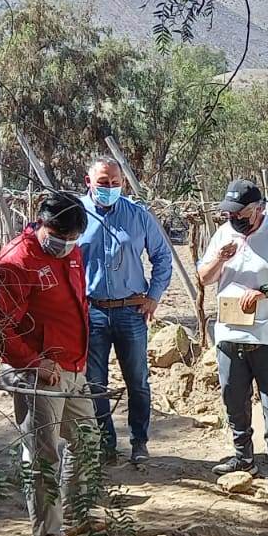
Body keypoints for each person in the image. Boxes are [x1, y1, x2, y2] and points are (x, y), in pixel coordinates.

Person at [0, 191, 100, 536]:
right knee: (43, 454)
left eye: (73, 239)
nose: (67, 245)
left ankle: (73, 516)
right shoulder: (14, 264)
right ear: (41, 224)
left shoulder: (71, 254)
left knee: (86, 442)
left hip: (73, 367)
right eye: (60, 237)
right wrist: (33, 362)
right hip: (40, 375)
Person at [197, 179, 268, 494]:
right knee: (233, 398)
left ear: (259, 209)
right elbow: (204, 277)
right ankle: (243, 457)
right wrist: (220, 257)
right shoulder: (223, 234)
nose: (234, 218)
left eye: (241, 213)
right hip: (229, 333)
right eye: (229, 212)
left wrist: (265, 291)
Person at [77, 157, 175, 466]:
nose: (109, 188)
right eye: (103, 183)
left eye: (115, 183)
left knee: (138, 380)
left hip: (131, 312)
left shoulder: (139, 216)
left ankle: (139, 441)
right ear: (88, 182)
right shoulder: (75, 216)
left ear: (123, 183)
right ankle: (106, 445)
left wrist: (153, 296)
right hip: (91, 312)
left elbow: (162, 257)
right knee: (95, 384)